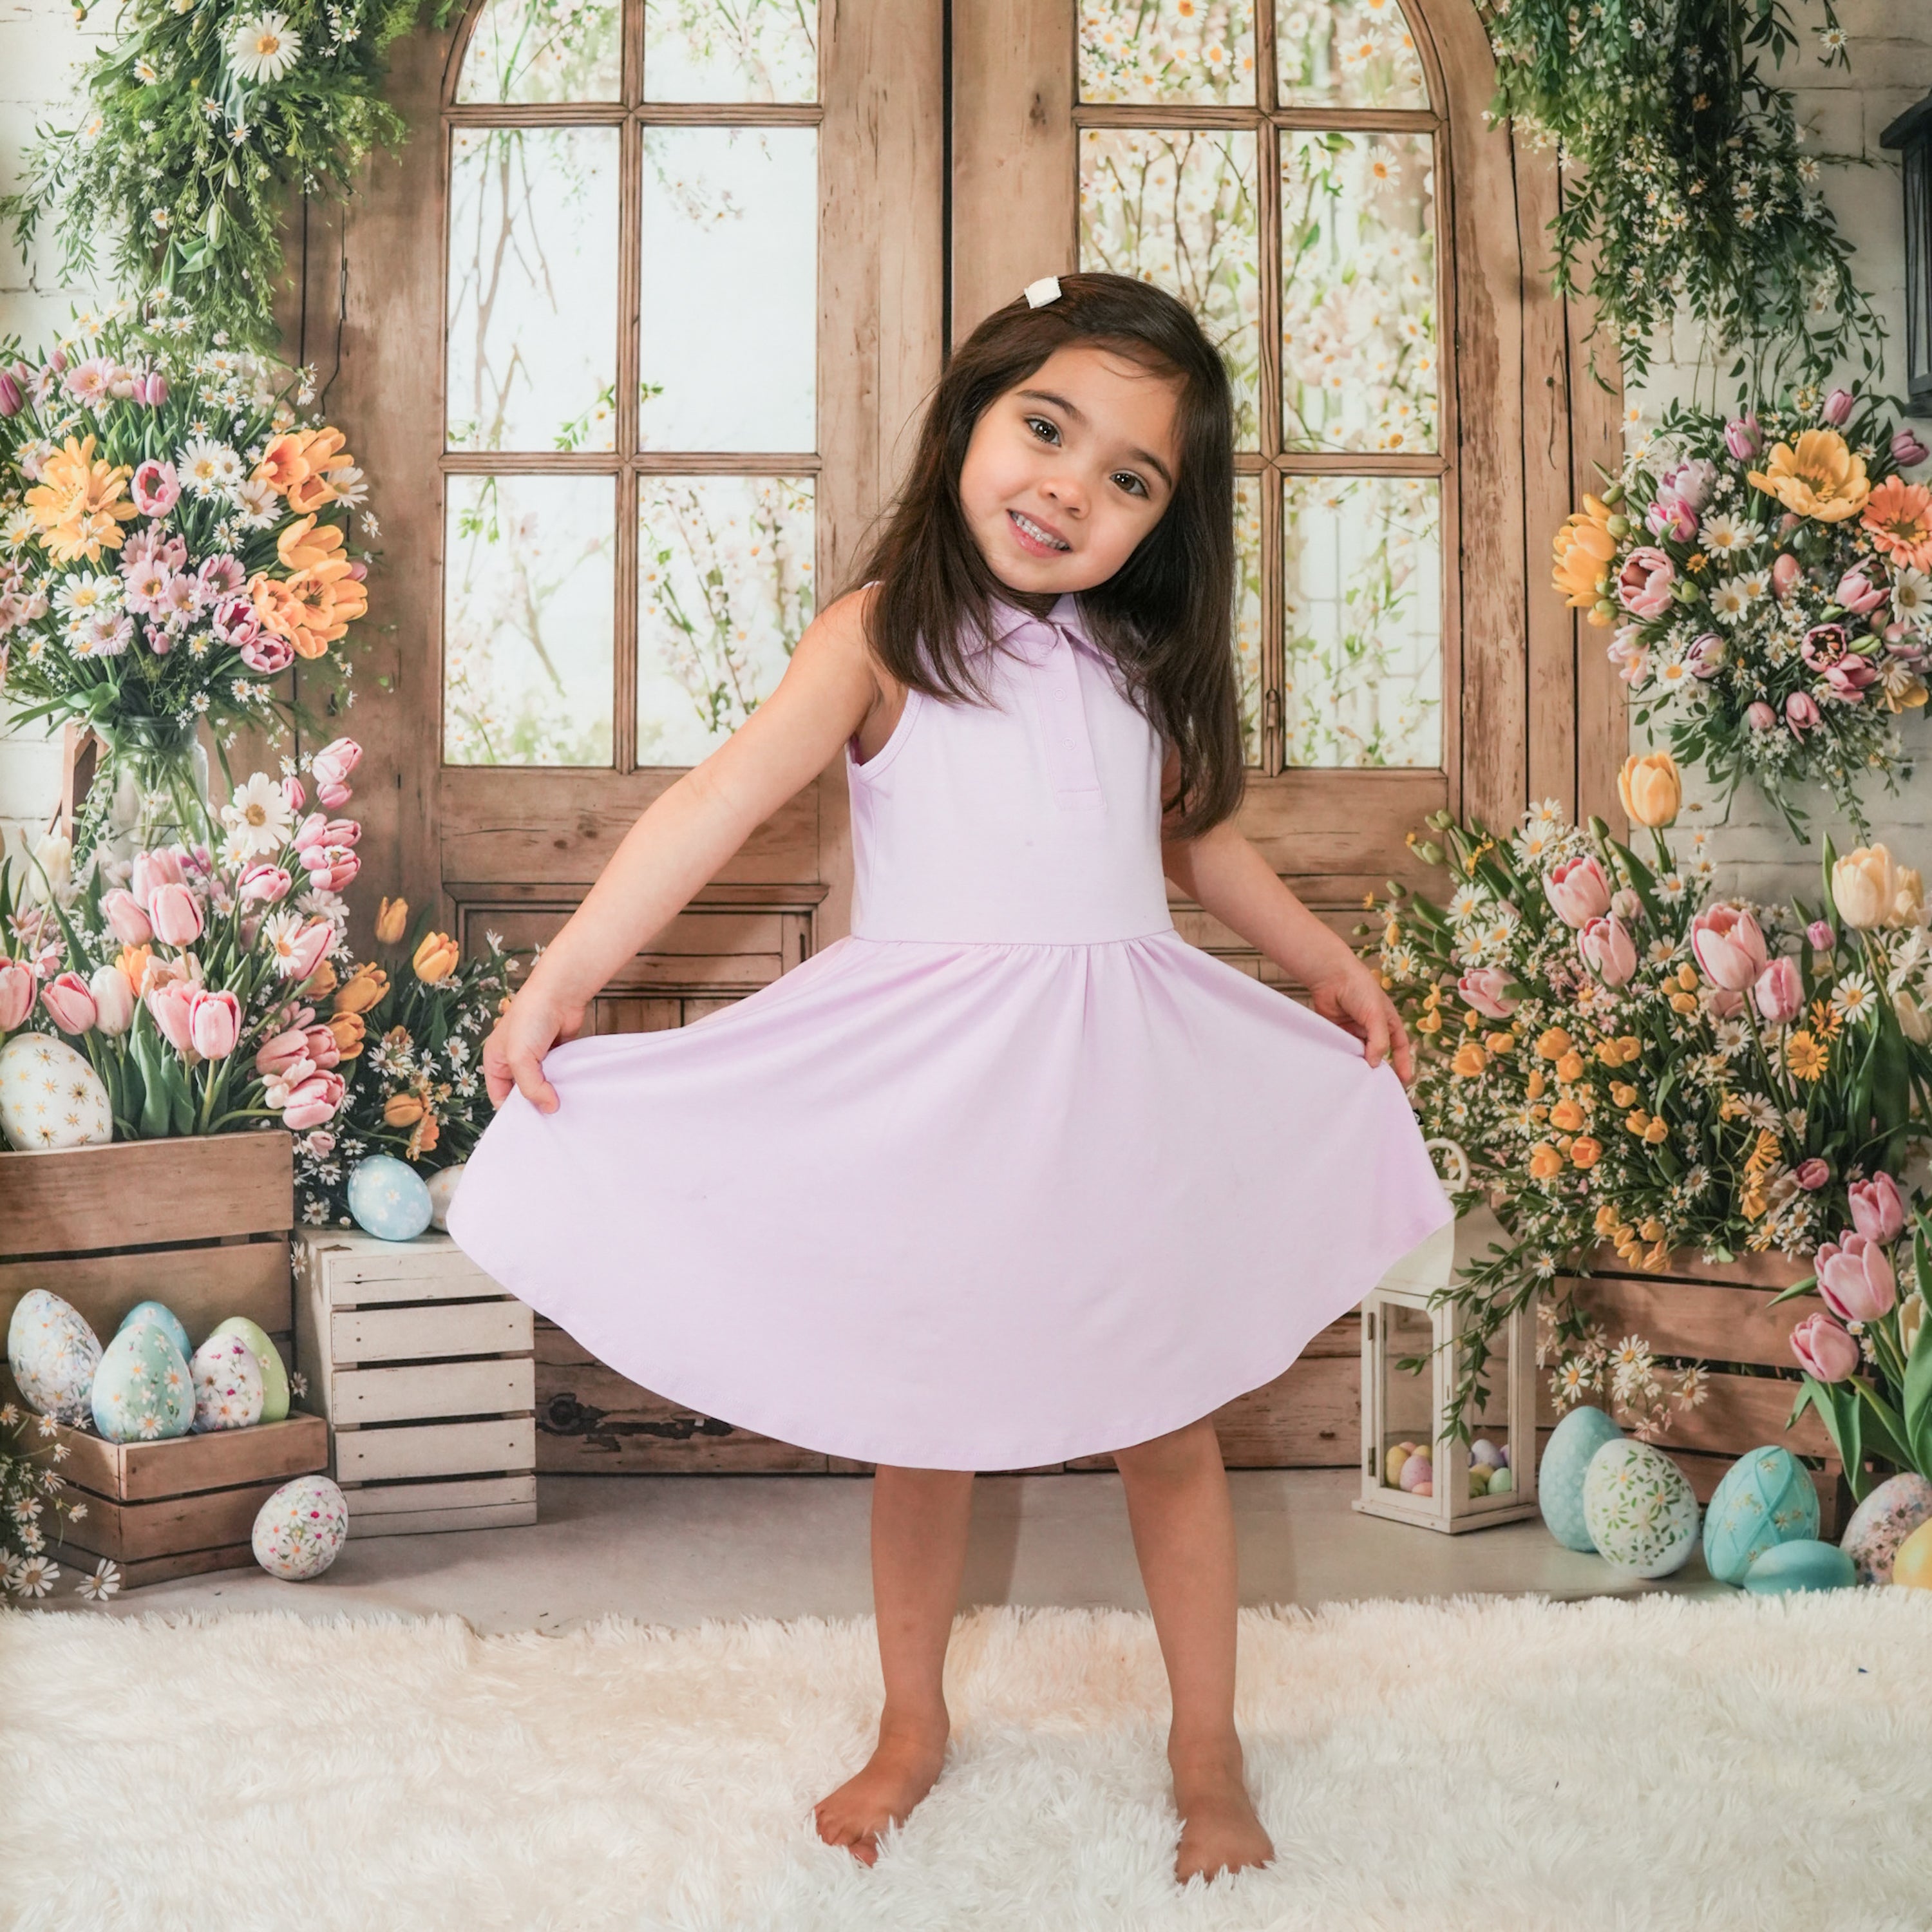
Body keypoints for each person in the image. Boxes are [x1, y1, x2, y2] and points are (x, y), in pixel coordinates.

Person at [448, 270, 1453, 1886]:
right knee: (923, 1422)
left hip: (1117, 1088)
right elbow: (714, 803)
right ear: (972, 418)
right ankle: (910, 1722)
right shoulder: (883, 640)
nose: (1071, 486)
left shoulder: (1137, 668)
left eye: (1130, 477)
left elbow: (1196, 846)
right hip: (934, 1090)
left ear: (1162, 524)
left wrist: (1327, 961)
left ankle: (1209, 1749)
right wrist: (567, 975)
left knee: (1166, 1420)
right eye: (1046, 429)